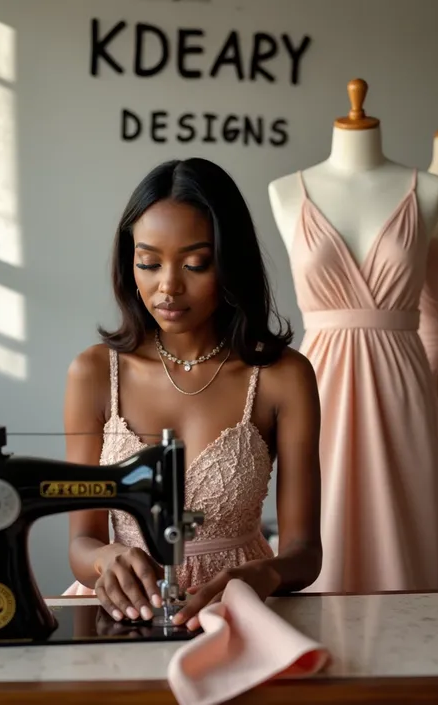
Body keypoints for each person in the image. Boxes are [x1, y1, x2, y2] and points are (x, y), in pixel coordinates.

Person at [63, 157, 322, 631]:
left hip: (238, 615)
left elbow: (305, 554)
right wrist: (108, 560)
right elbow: (82, 542)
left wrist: (259, 573)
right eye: (148, 262)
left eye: (195, 264)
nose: (168, 286)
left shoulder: (283, 377)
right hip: (123, 614)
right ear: (130, 262)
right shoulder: (95, 373)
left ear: (230, 262)